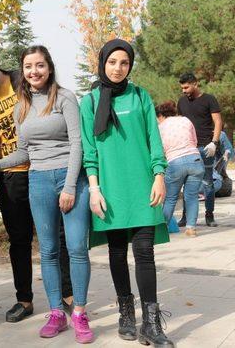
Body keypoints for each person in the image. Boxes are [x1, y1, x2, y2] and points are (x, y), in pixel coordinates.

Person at [0, 45, 93, 343]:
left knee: (77, 247)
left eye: (39, 65)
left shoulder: (65, 97)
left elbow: (77, 144)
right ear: (23, 71)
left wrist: (68, 186)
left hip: (69, 179)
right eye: (28, 66)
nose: (34, 71)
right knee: (48, 251)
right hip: (37, 180)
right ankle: (55, 313)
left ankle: (78, 312)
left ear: (49, 67)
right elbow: (23, 152)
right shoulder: (21, 106)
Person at [80, 38, 173, 347]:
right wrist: (94, 189)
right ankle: (125, 313)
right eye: (112, 62)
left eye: (124, 63)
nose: (118, 68)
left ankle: (150, 322)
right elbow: (89, 152)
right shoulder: (90, 102)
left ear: (130, 66)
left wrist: (159, 175)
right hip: (110, 189)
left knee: (144, 252)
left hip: (143, 185)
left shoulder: (140, 96)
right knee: (117, 252)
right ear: (103, 63)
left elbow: (153, 139)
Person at [177, 72, 222, 227]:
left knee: (208, 182)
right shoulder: (181, 102)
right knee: (186, 183)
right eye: (182, 88)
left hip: (206, 147)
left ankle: (209, 215)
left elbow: (218, 122)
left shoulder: (209, 99)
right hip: (187, 148)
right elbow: (180, 124)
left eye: (186, 87)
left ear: (195, 84)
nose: (184, 90)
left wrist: (214, 143)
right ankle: (185, 217)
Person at [155, 101, 204, 237]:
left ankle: (162, 228)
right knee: (192, 197)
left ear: (160, 116)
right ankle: (191, 228)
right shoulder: (185, 120)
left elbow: (160, 149)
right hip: (195, 159)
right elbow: (194, 140)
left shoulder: (161, 127)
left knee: (170, 198)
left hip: (175, 162)